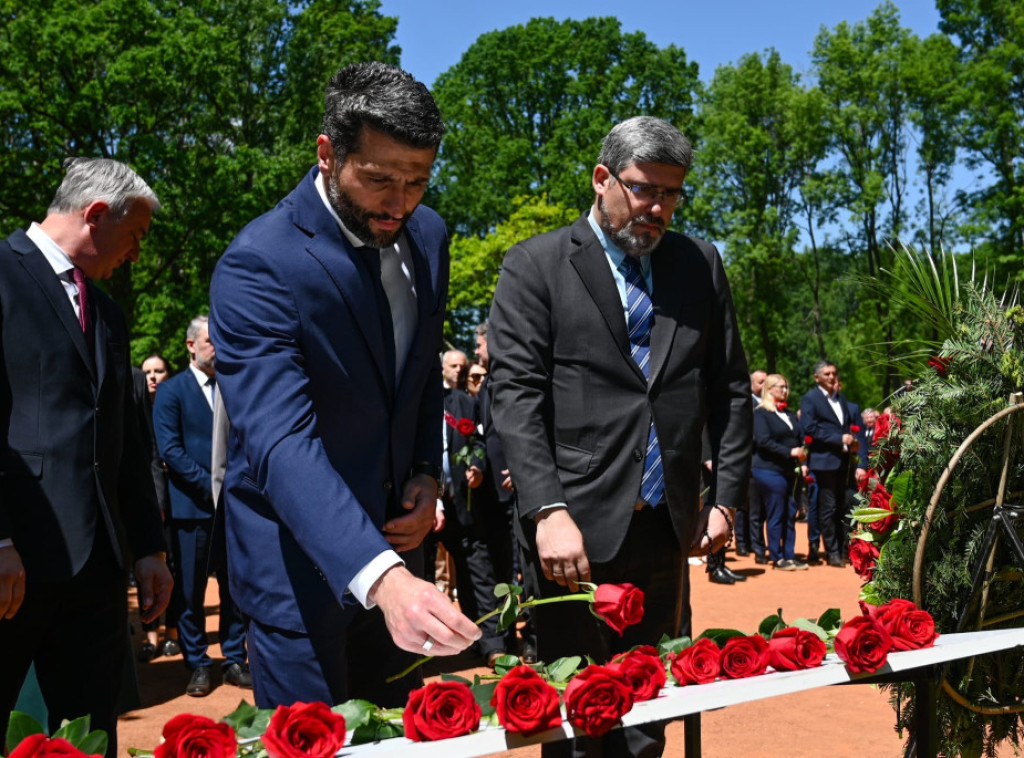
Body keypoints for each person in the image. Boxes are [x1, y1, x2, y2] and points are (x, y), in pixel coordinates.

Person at [209, 61, 479, 709]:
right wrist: (381, 578)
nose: (400, 204)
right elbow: (278, 441)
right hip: (298, 580)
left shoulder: (430, 235)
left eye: (418, 180)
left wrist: (426, 473)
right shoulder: (258, 263)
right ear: (328, 154)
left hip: (405, 560)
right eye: (380, 179)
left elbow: (419, 372)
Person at [489, 116, 752, 757]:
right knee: (578, 720)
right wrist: (546, 509)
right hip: (571, 534)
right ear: (602, 178)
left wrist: (724, 500)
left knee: (648, 716)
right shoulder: (536, 264)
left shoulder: (699, 264)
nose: (656, 208)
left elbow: (730, 388)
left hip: (667, 528)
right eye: (643, 189)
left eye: (671, 193)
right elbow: (515, 396)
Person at [0, 157, 172, 757]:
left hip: (97, 572)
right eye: (135, 235)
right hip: (14, 564)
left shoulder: (108, 313)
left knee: (91, 736)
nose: (137, 254)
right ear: (96, 214)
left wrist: (148, 548)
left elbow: (125, 442)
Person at [152, 315, 249, 696]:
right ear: (191, 345)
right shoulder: (171, 391)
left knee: (234, 588)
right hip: (191, 509)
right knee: (190, 591)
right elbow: (170, 450)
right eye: (210, 340)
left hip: (234, 509)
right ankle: (197, 663)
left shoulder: (235, 387)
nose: (217, 346)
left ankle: (234, 658)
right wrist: (212, 487)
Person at [134, 355, 181, 662]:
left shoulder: (176, 401)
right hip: (146, 499)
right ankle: (149, 636)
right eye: (147, 371)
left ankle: (172, 635)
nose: (152, 377)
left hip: (176, 499)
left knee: (172, 566)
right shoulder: (133, 404)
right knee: (145, 562)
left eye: (158, 371)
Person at [800, 360, 858, 568]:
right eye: (827, 374)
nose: (832, 377)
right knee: (828, 507)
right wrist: (839, 439)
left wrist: (851, 441)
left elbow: (845, 426)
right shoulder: (810, 399)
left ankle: (842, 550)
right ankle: (831, 552)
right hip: (823, 462)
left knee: (842, 506)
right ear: (817, 377)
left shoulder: (840, 399)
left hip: (842, 460)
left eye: (834, 373)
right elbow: (810, 428)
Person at [752, 374, 808, 570]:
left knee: (791, 511)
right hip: (768, 469)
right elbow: (763, 441)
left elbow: (799, 438)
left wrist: (803, 458)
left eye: (786, 387)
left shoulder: (790, 414)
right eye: (781, 387)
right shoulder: (761, 413)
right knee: (777, 512)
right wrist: (790, 452)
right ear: (769, 389)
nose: (785, 390)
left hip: (790, 470)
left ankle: (789, 555)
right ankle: (776, 557)